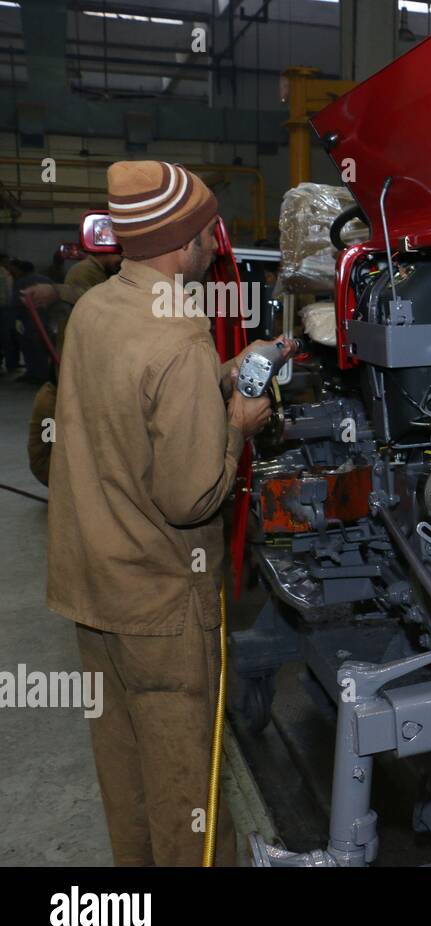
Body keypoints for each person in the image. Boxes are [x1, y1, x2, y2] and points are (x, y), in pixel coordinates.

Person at [46, 160, 278, 866]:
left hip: (92, 585)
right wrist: (239, 421)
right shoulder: (178, 336)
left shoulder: (96, 308)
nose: (216, 241)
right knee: (190, 800)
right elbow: (191, 496)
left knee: (129, 782)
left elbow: (128, 401)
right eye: (210, 230)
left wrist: (220, 375)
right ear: (183, 244)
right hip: (159, 605)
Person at [23, 252, 121, 486]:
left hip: (80, 384)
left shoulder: (109, 274)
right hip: (65, 386)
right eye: (119, 252)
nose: (123, 258)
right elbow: (97, 302)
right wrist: (58, 292)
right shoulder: (85, 272)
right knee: (55, 444)